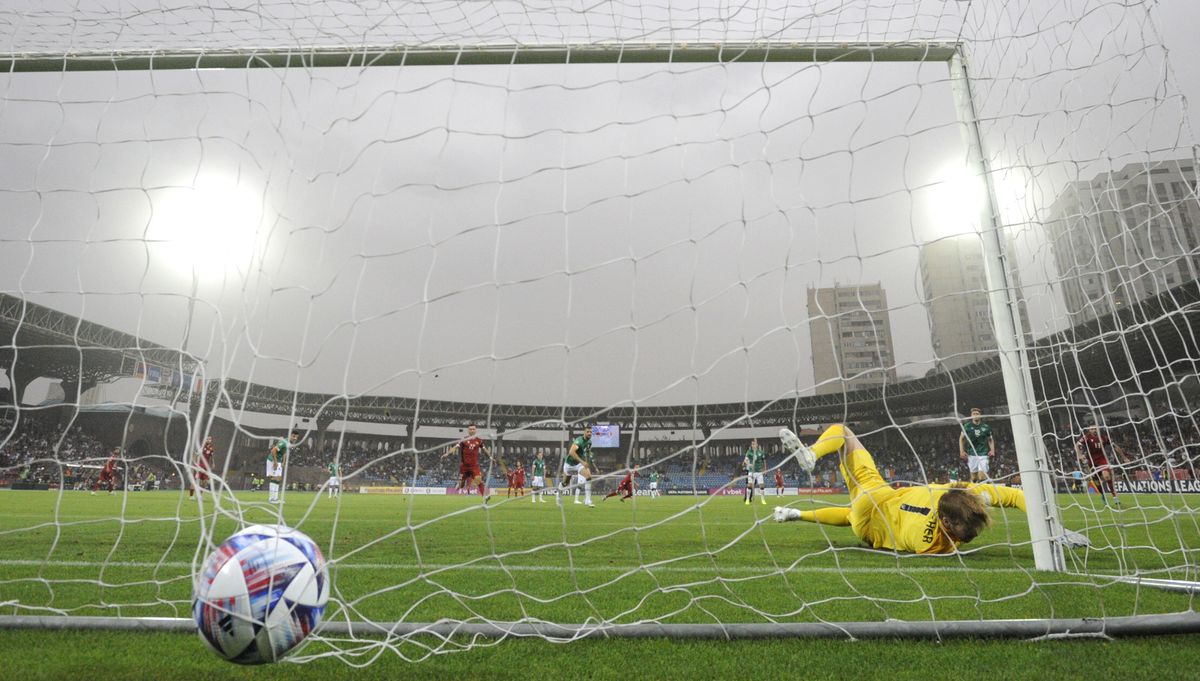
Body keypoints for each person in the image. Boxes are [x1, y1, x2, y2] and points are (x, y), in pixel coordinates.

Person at [775, 425, 1034, 554]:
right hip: (867, 529)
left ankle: (812, 454)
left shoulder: (950, 491)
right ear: (946, 522)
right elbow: (1014, 495)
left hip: (877, 495)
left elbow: (1016, 495)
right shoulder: (932, 545)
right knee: (851, 514)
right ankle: (796, 514)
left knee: (842, 432)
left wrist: (979, 495)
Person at [1075, 423, 1128, 506]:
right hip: (1091, 462)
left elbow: (1115, 446)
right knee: (1097, 482)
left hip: (1102, 460)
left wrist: (1124, 457)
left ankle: (1115, 497)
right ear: (1089, 430)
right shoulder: (1087, 437)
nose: (1094, 430)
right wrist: (1079, 455)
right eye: (1092, 429)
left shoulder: (1104, 437)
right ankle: (1103, 495)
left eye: (1095, 428)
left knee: (1106, 476)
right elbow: (1077, 445)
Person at [442, 424, 489, 502]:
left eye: (473, 429)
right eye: (470, 429)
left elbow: (485, 449)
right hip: (464, 466)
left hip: (474, 466)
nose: (472, 431)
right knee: (461, 485)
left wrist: (490, 457)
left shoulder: (479, 441)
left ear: (476, 430)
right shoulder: (463, 440)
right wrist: (447, 453)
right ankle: (459, 484)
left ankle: (485, 497)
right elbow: (455, 447)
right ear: (468, 430)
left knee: (479, 480)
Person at [560, 425, 597, 507]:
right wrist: (582, 462)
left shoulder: (589, 442)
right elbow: (571, 452)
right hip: (569, 464)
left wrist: (586, 463)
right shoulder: (579, 441)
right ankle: (558, 494)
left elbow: (586, 453)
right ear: (584, 432)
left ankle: (587, 500)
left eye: (591, 432)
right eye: (587, 431)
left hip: (578, 465)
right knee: (565, 483)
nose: (589, 433)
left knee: (588, 477)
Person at [959, 408, 995, 483]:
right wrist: (961, 451)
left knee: (982, 476)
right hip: (971, 454)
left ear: (980, 415)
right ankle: (973, 489)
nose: (975, 415)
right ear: (971, 416)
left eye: (977, 414)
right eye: (974, 414)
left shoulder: (986, 427)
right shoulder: (967, 426)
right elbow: (961, 439)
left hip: (983, 454)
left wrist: (992, 450)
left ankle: (983, 492)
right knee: (974, 478)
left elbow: (990, 439)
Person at [268, 431, 297, 504]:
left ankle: (276, 498)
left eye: (296, 437)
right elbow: (273, 450)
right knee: (274, 478)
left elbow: (284, 453)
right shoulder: (284, 442)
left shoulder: (289, 443)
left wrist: (283, 462)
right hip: (272, 460)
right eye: (293, 436)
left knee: (278, 479)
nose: (295, 438)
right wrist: (275, 462)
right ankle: (271, 499)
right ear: (290, 435)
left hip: (279, 461)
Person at [743, 438, 767, 505]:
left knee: (761, 486)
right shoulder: (749, 452)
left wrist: (765, 469)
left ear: (757, 445)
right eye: (752, 444)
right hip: (751, 471)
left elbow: (764, 461)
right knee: (749, 485)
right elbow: (745, 460)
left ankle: (763, 499)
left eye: (754, 444)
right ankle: (747, 500)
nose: (753, 445)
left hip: (759, 472)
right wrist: (749, 464)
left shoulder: (761, 452)